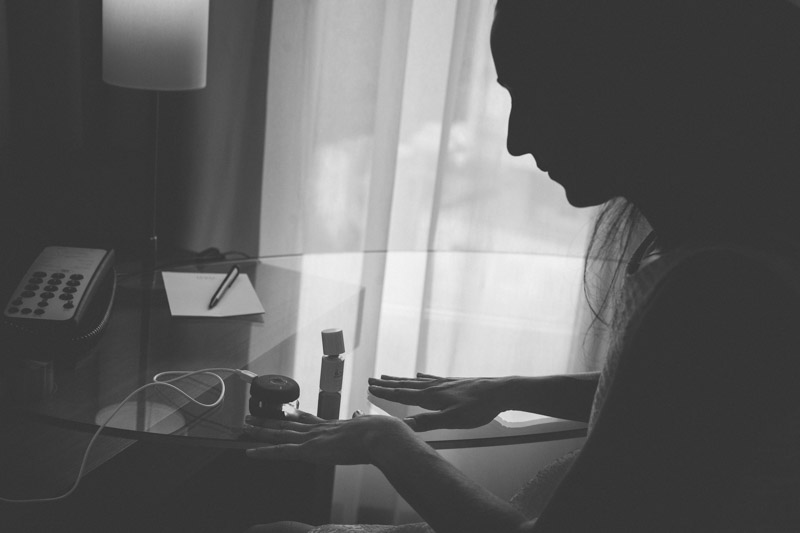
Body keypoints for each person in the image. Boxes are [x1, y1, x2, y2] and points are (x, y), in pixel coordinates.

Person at [242, 0, 800, 531]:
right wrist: (507, 389)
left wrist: (383, 441)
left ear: (637, 88)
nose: (516, 140)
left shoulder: (720, 291)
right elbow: (674, 406)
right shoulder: (720, 251)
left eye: (537, 94)